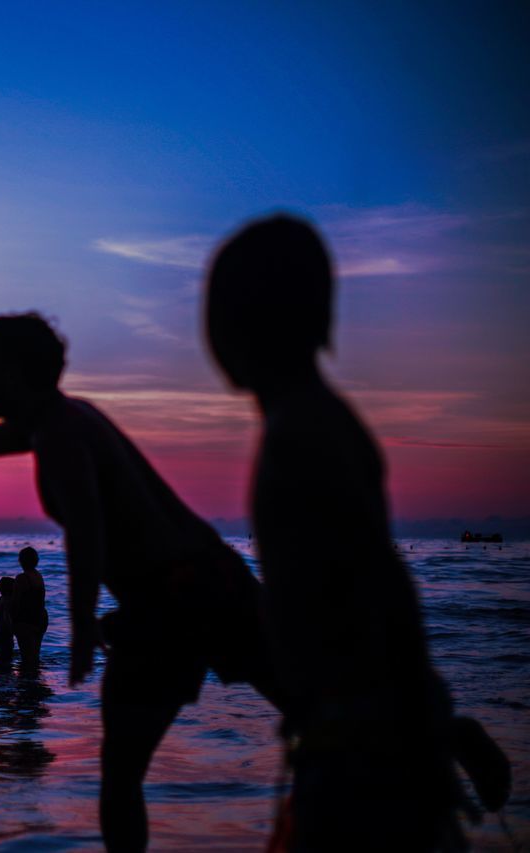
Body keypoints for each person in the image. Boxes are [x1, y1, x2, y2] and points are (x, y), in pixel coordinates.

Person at [0, 313, 283, 851]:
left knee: (129, 779)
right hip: (206, 579)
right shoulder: (57, 419)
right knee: (321, 715)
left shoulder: (60, 434)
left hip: (180, 597)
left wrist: (82, 624)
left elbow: (88, 526)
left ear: (18, 372)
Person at [205, 215, 508, 850]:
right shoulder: (322, 423)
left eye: (220, 309)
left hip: (359, 763)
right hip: (371, 742)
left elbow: (353, 610)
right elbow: (377, 594)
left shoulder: (298, 438)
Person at [12, 546, 49, 669]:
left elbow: (16, 602)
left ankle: (27, 683)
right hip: (40, 617)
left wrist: (11, 620)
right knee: (35, 655)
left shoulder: (21, 578)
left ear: (21, 561)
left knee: (26, 656)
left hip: (25, 619)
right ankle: (35, 682)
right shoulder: (39, 576)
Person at [0, 576, 17, 667]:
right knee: (7, 659)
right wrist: (13, 630)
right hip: (5, 633)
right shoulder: (9, 601)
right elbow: (7, 618)